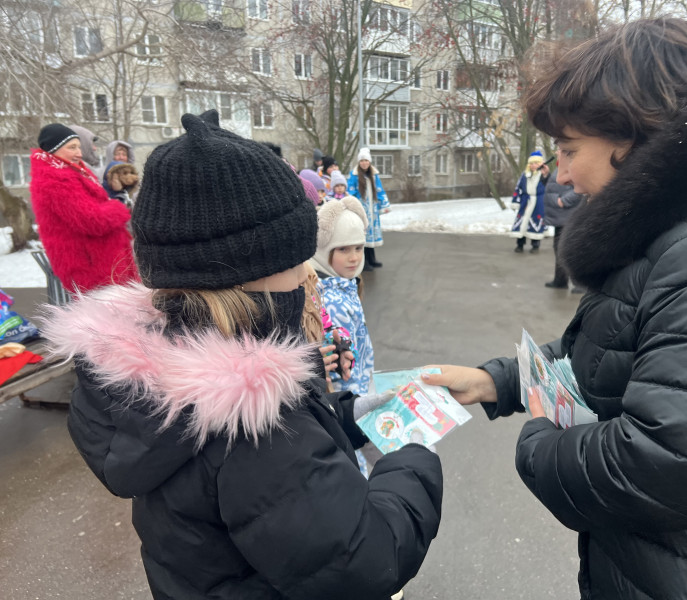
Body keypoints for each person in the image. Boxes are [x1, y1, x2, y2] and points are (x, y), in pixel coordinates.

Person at [423, 18, 687, 600]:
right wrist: (502, 380)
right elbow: (629, 345)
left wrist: (539, 444)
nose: (563, 174)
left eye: (570, 149)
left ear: (631, 135)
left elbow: (671, 465)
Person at [41, 111, 442, 600]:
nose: (306, 276)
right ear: (256, 273)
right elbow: (366, 560)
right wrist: (411, 453)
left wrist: (348, 414)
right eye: (295, 261)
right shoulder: (258, 428)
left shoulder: (160, 381)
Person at [29, 124, 138, 294]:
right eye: (72, 147)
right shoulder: (55, 180)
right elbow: (93, 220)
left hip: (101, 263)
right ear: (53, 149)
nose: (79, 153)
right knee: (107, 310)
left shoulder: (73, 172)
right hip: (91, 267)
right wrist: (119, 207)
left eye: (79, 147)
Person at [309, 197, 374, 398]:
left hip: (358, 387)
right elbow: (342, 367)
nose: (354, 257)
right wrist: (355, 401)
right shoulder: (331, 300)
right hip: (349, 396)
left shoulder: (346, 285)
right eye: (343, 249)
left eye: (358, 248)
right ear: (323, 251)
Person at [347, 147, 390, 270]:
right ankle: (363, 262)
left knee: (371, 234)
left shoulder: (374, 175)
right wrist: (354, 206)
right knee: (363, 235)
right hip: (361, 210)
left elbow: (379, 189)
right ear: (359, 162)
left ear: (369, 161)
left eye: (366, 160)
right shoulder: (354, 175)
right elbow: (350, 191)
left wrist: (384, 204)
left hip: (372, 209)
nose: (364, 163)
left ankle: (372, 258)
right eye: (362, 161)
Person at [541, 172, 584, 293]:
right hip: (559, 217)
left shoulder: (571, 165)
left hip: (568, 216)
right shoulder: (560, 166)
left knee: (570, 251)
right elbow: (553, 186)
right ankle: (560, 280)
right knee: (559, 250)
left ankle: (580, 284)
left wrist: (564, 201)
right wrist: (545, 176)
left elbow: (580, 188)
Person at [510, 152, 549, 253]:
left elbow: (549, 186)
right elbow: (518, 188)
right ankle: (520, 244)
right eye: (531, 163)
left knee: (536, 222)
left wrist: (546, 175)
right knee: (522, 223)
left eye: (536, 163)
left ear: (540, 164)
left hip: (538, 202)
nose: (533, 165)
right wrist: (516, 201)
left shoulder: (543, 175)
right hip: (525, 201)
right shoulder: (525, 175)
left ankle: (535, 246)